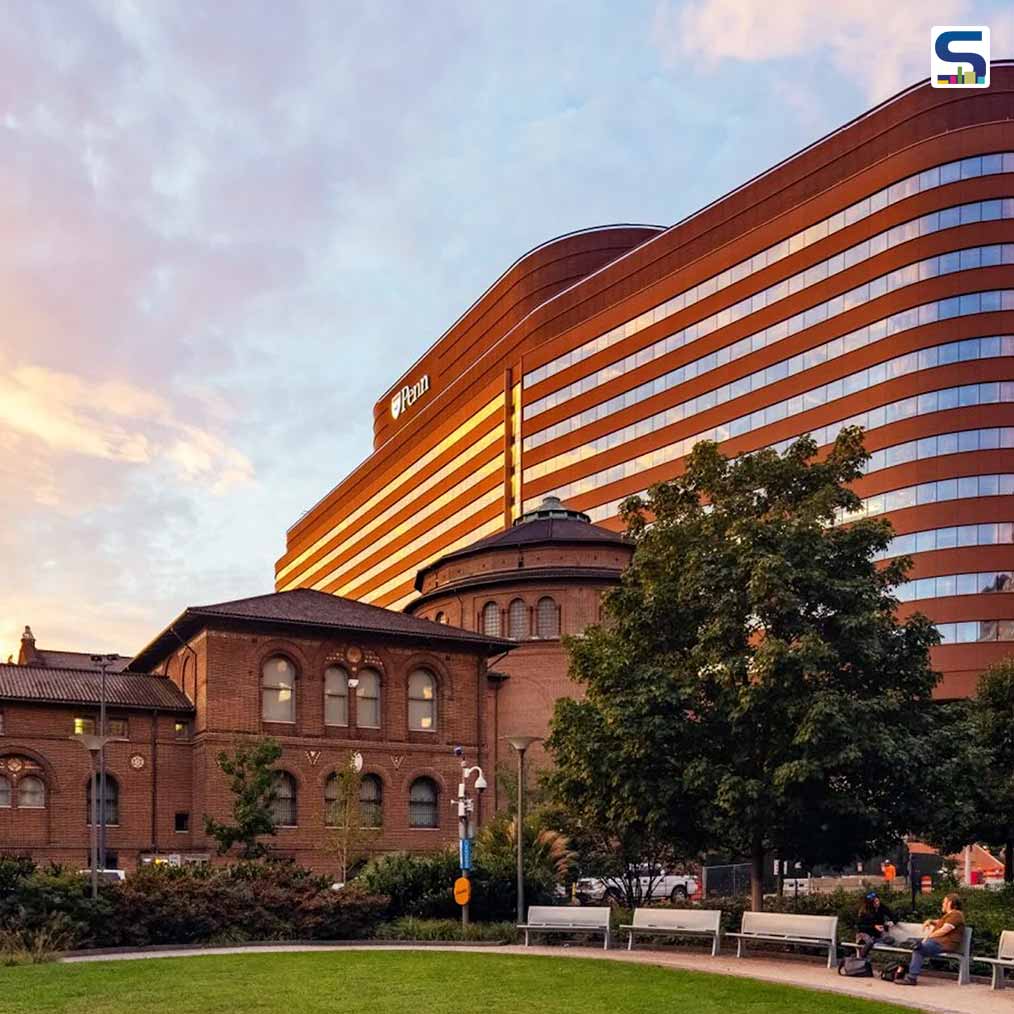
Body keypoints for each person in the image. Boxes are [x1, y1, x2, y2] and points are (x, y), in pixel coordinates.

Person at [895, 893, 966, 986]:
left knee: (918, 948)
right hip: (937, 942)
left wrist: (928, 937)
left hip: (944, 944)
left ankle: (911, 978)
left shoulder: (956, 915)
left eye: (944, 902)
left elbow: (944, 930)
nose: (942, 904)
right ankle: (901, 968)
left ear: (950, 903)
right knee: (911, 941)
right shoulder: (950, 915)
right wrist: (931, 921)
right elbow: (940, 922)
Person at [856, 890, 896, 958]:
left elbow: (893, 916)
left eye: (878, 901)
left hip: (878, 933)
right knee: (870, 942)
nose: (877, 903)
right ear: (870, 904)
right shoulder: (864, 912)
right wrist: (874, 926)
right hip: (865, 933)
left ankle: (876, 940)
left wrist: (892, 922)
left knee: (890, 940)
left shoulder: (882, 907)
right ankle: (862, 957)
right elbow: (860, 926)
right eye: (875, 902)